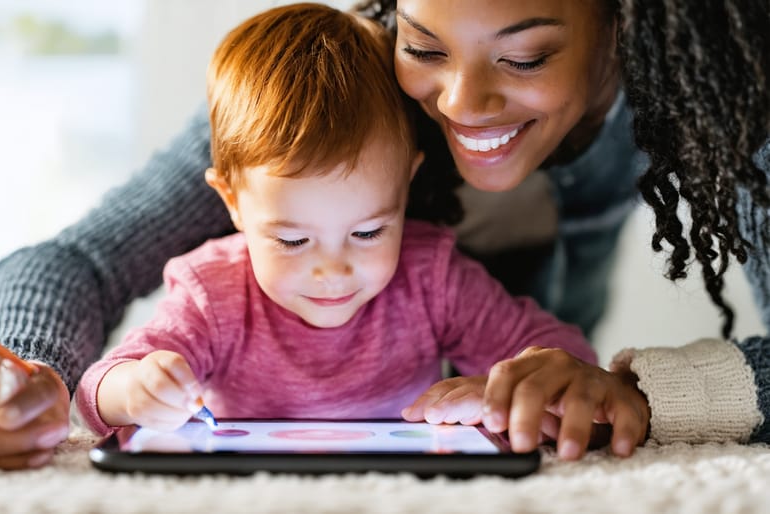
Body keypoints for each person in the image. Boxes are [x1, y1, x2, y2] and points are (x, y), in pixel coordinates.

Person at [0, 0, 769, 469]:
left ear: (626, 22)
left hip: (512, 402)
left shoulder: (723, 85)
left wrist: (647, 394)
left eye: (525, 56)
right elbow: (79, 258)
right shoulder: (332, 95)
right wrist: (16, 367)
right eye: (424, 45)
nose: (459, 103)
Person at [75, 3, 598, 438]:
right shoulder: (213, 292)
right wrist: (136, 390)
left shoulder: (430, 277)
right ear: (232, 201)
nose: (333, 269)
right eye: (293, 239)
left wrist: (508, 386)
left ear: (406, 186)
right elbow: (98, 387)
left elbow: (561, 356)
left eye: (369, 232)